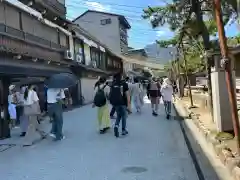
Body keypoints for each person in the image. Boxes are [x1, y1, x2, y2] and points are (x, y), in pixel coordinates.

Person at [109, 72, 130, 138]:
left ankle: (116, 126)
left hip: (116, 103)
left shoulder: (113, 84)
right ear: (121, 77)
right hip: (123, 103)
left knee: (118, 116)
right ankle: (123, 130)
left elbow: (111, 94)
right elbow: (127, 95)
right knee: (124, 116)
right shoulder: (124, 84)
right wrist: (129, 105)